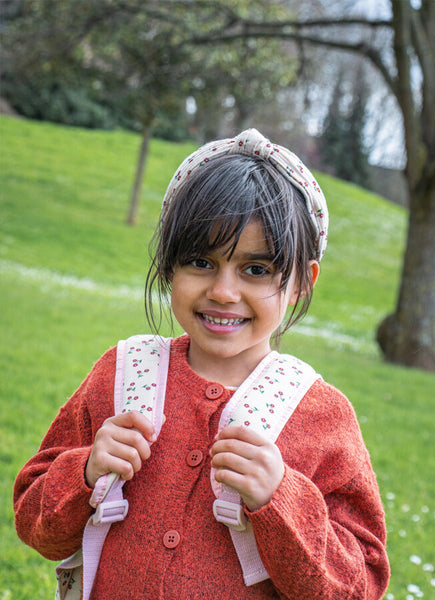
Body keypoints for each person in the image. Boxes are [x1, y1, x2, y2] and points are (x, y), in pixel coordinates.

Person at [14, 129, 390, 599]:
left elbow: (361, 585)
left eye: (257, 269)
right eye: (200, 261)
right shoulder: (122, 375)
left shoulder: (321, 415)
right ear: (169, 266)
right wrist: (86, 472)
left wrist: (281, 498)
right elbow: (33, 521)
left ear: (302, 284)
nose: (224, 292)